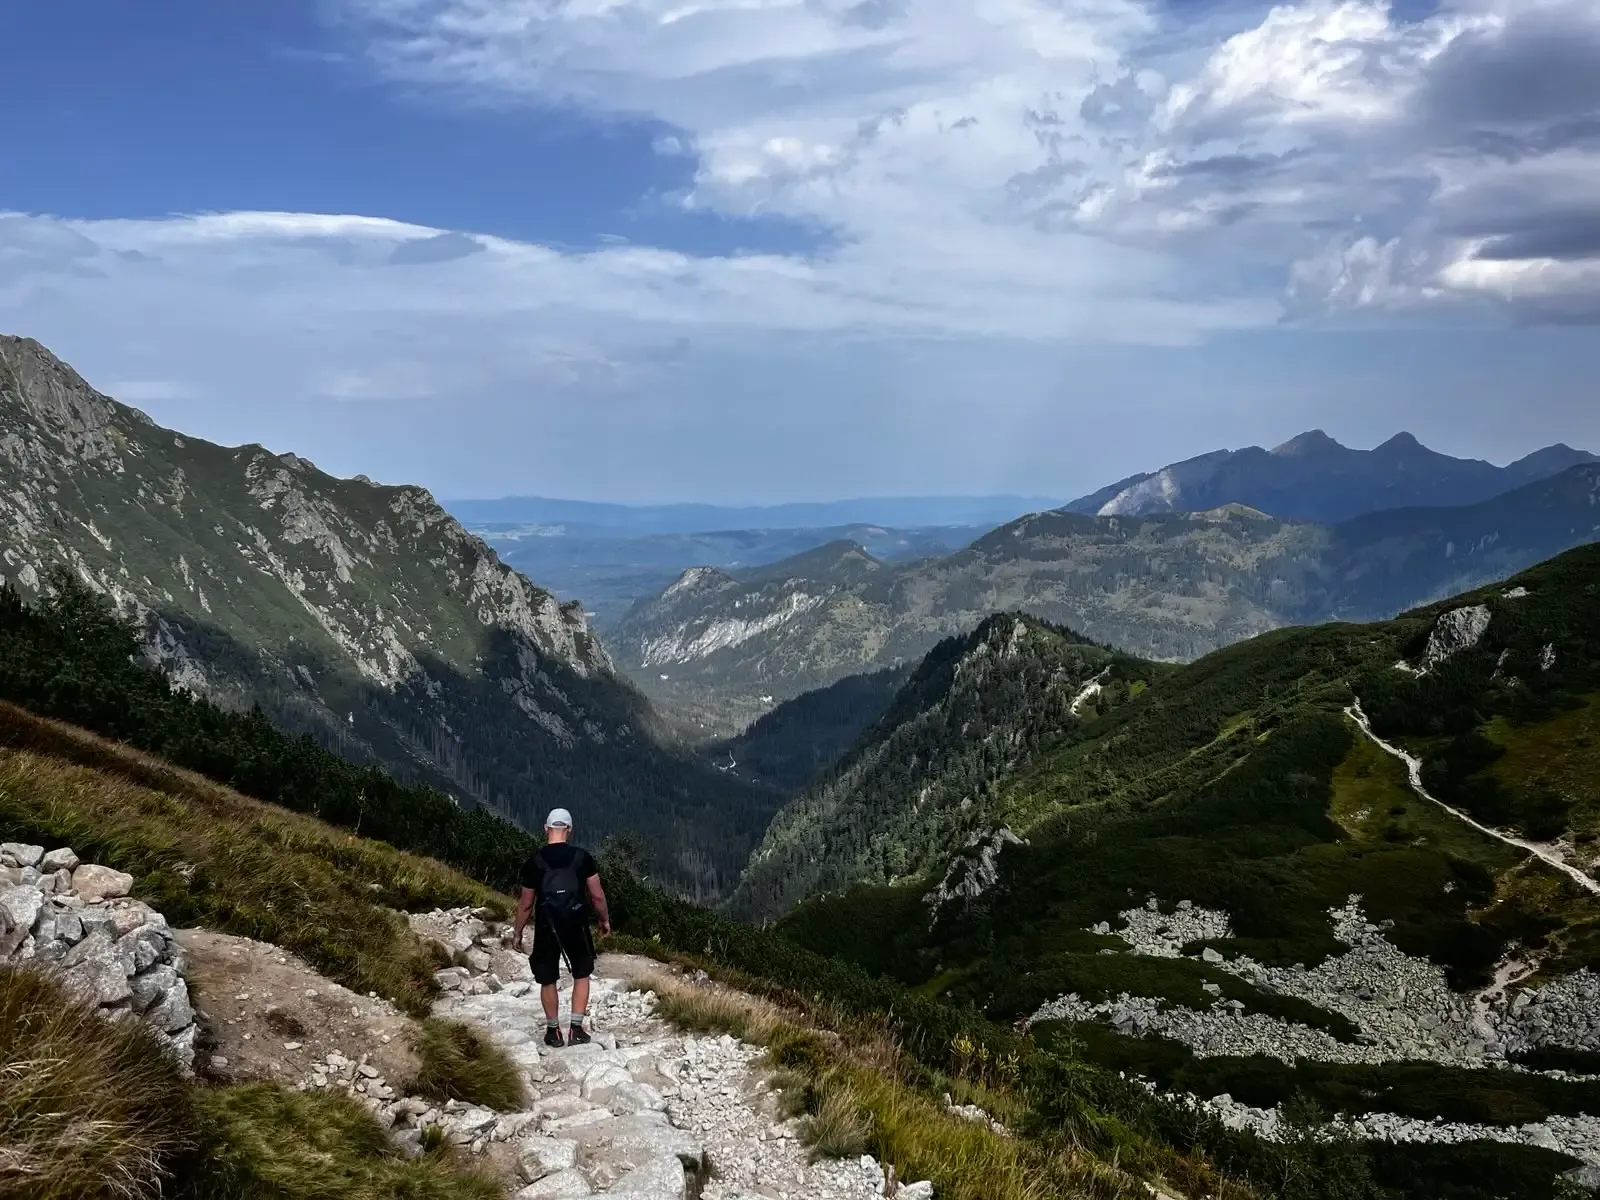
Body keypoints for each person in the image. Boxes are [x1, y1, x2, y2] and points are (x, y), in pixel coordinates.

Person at [512, 808, 611, 1048]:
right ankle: (576, 1029)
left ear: (546, 829)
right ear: (569, 830)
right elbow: (597, 896)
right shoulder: (582, 858)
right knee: (581, 973)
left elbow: (525, 904)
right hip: (576, 923)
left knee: (548, 977)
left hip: (547, 925)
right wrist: (604, 920)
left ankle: (553, 1031)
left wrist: (517, 932)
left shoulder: (535, 861)